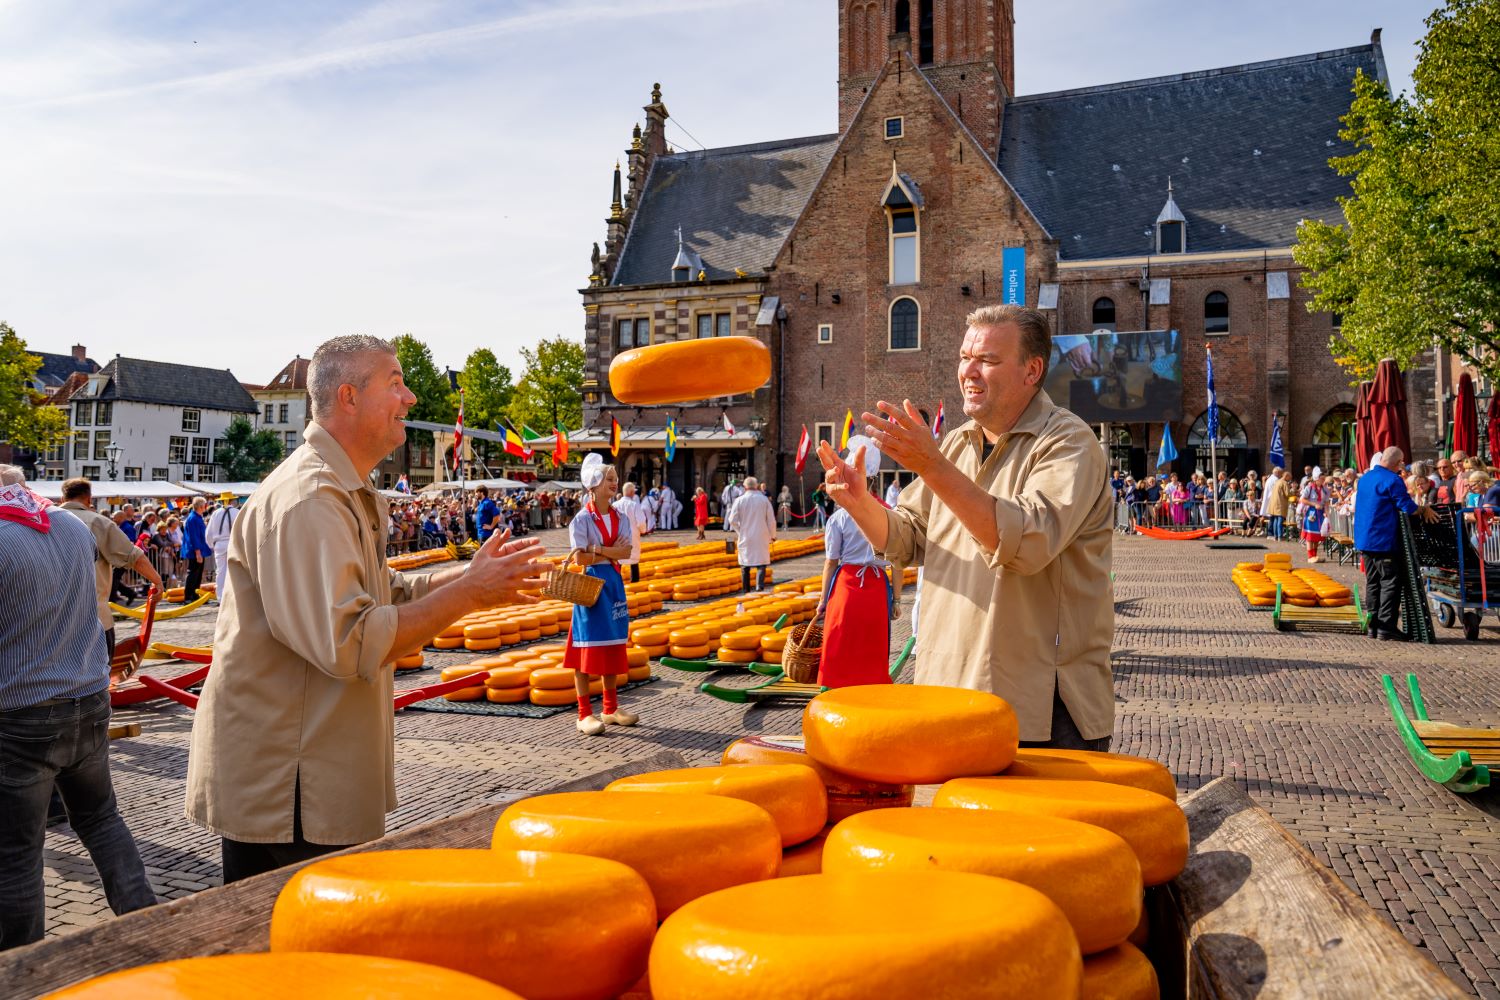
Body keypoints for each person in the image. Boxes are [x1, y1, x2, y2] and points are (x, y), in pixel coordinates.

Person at [185, 336, 547, 882]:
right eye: (395, 383)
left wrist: (471, 578)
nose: (411, 398)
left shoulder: (340, 489)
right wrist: (470, 593)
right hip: (291, 790)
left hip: (307, 779)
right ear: (349, 397)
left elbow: (386, 591)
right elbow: (350, 639)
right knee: (303, 955)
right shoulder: (311, 499)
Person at [818, 304, 1114, 749]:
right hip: (951, 691)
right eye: (964, 357)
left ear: (1032, 370)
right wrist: (859, 503)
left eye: (988, 360)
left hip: (1040, 707)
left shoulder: (1069, 443)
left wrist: (931, 465)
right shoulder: (957, 444)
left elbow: (1026, 543)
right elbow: (906, 538)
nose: (969, 372)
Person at [0, 465, 157, 949]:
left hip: (22, 713)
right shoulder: (69, 526)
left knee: (18, 856)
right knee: (102, 819)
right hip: (87, 699)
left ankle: (22, 972)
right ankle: (152, 925)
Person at [565, 454, 637, 737]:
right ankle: (584, 714)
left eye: (615, 478)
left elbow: (626, 551)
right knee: (584, 649)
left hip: (613, 585)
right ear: (593, 485)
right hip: (590, 588)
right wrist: (608, 550)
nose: (614, 482)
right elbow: (579, 558)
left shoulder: (620, 516)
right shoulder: (582, 519)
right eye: (609, 479)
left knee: (612, 647)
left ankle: (610, 708)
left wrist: (598, 550)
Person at [816, 436, 895, 688]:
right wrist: (899, 598)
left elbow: (831, 561)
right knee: (872, 640)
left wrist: (822, 600)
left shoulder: (838, 519)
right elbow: (897, 559)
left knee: (841, 637)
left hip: (848, 583)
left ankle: (838, 686)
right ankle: (871, 685)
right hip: (876, 584)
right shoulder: (888, 512)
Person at [57, 479, 164, 657]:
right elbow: (134, 557)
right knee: (99, 676)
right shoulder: (98, 523)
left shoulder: (41, 521)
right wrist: (158, 582)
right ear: (89, 499)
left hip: (50, 622)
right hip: (92, 618)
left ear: (62, 498)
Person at [1354, 446, 1438, 641]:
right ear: (1397, 462)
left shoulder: (1365, 478)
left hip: (1365, 539)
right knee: (1390, 582)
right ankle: (1387, 626)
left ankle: (1372, 625)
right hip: (1383, 539)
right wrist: (1424, 510)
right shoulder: (1393, 480)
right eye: (1401, 462)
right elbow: (1407, 506)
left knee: (1373, 582)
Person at [727, 475, 777, 592]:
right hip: (761, 535)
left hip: (746, 536)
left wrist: (740, 531)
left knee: (745, 564)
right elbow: (771, 520)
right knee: (761, 563)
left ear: (744, 487)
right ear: (757, 486)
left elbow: (732, 520)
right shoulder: (764, 500)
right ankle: (759, 587)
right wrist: (772, 536)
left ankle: (746, 590)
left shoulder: (739, 500)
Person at [204, 491, 240, 605]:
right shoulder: (237, 512)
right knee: (233, 570)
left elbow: (208, 532)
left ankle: (221, 598)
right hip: (232, 542)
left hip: (219, 544)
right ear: (231, 501)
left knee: (220, 571)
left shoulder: (215, 513)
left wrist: (211, 545)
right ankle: (233, 596)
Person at [612, 481, 652, 584]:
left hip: (618, 536)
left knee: (618, 560)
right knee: (633, 560)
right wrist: (643, 530)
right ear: (631, 492)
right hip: (632, 535)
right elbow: (641, 521)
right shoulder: (634, 505)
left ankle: (617, 583)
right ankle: (635, 583)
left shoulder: (614, 505)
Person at [179, 496, 212, 602]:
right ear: (201, 506)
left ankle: (195, 595)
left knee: (198, 573)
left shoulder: (197, 517)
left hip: (199, 549)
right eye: (204, 505)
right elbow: (193, 537)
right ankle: (188, 596)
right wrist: (197, 552)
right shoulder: (193, 518)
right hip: (195, 551)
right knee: (193, 573)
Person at [1300, 467, 1327, 562]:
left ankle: (1315, 555)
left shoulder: (1324, 489)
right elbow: (1302, 499)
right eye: (1322, 479)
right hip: (1311, 513)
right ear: (1316, 479)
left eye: (1324, 479)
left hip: (1320, 514)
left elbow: (1326, 502)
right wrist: (1314, 504)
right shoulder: (1309, 488)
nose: (1323, 480)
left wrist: (1326, 512)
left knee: (1316, 536)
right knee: (1310, 537)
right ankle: (1310, 556)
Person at [1262, 467, 1288, 540]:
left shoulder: (1270, 479)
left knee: (1273, 519)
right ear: (1277, 473)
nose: (1281, 474)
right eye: (1280, 473)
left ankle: (1273, 534)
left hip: (1271, 501)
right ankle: (1273, 534)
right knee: (1275, 519)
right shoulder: (1276, 480)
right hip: (1275, 501)